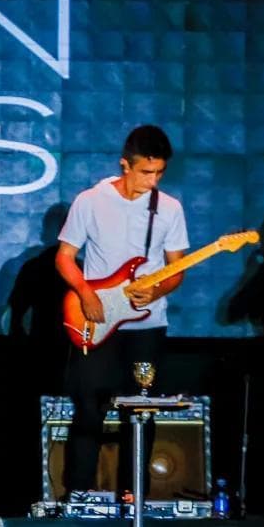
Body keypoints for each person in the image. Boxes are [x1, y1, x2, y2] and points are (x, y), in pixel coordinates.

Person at [55, 124, 189, 499]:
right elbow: (64, 256)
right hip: (97, 320)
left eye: (159, 172)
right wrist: (85, 292)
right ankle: (79, 496)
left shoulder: (169, 209)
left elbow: (176, 269)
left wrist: (158, 289)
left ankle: (135, 497)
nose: (153, 180)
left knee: (142, 412)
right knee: (88, 410)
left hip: (147, 326)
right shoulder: (90, 201)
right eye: (146, 172)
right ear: (125, 165)